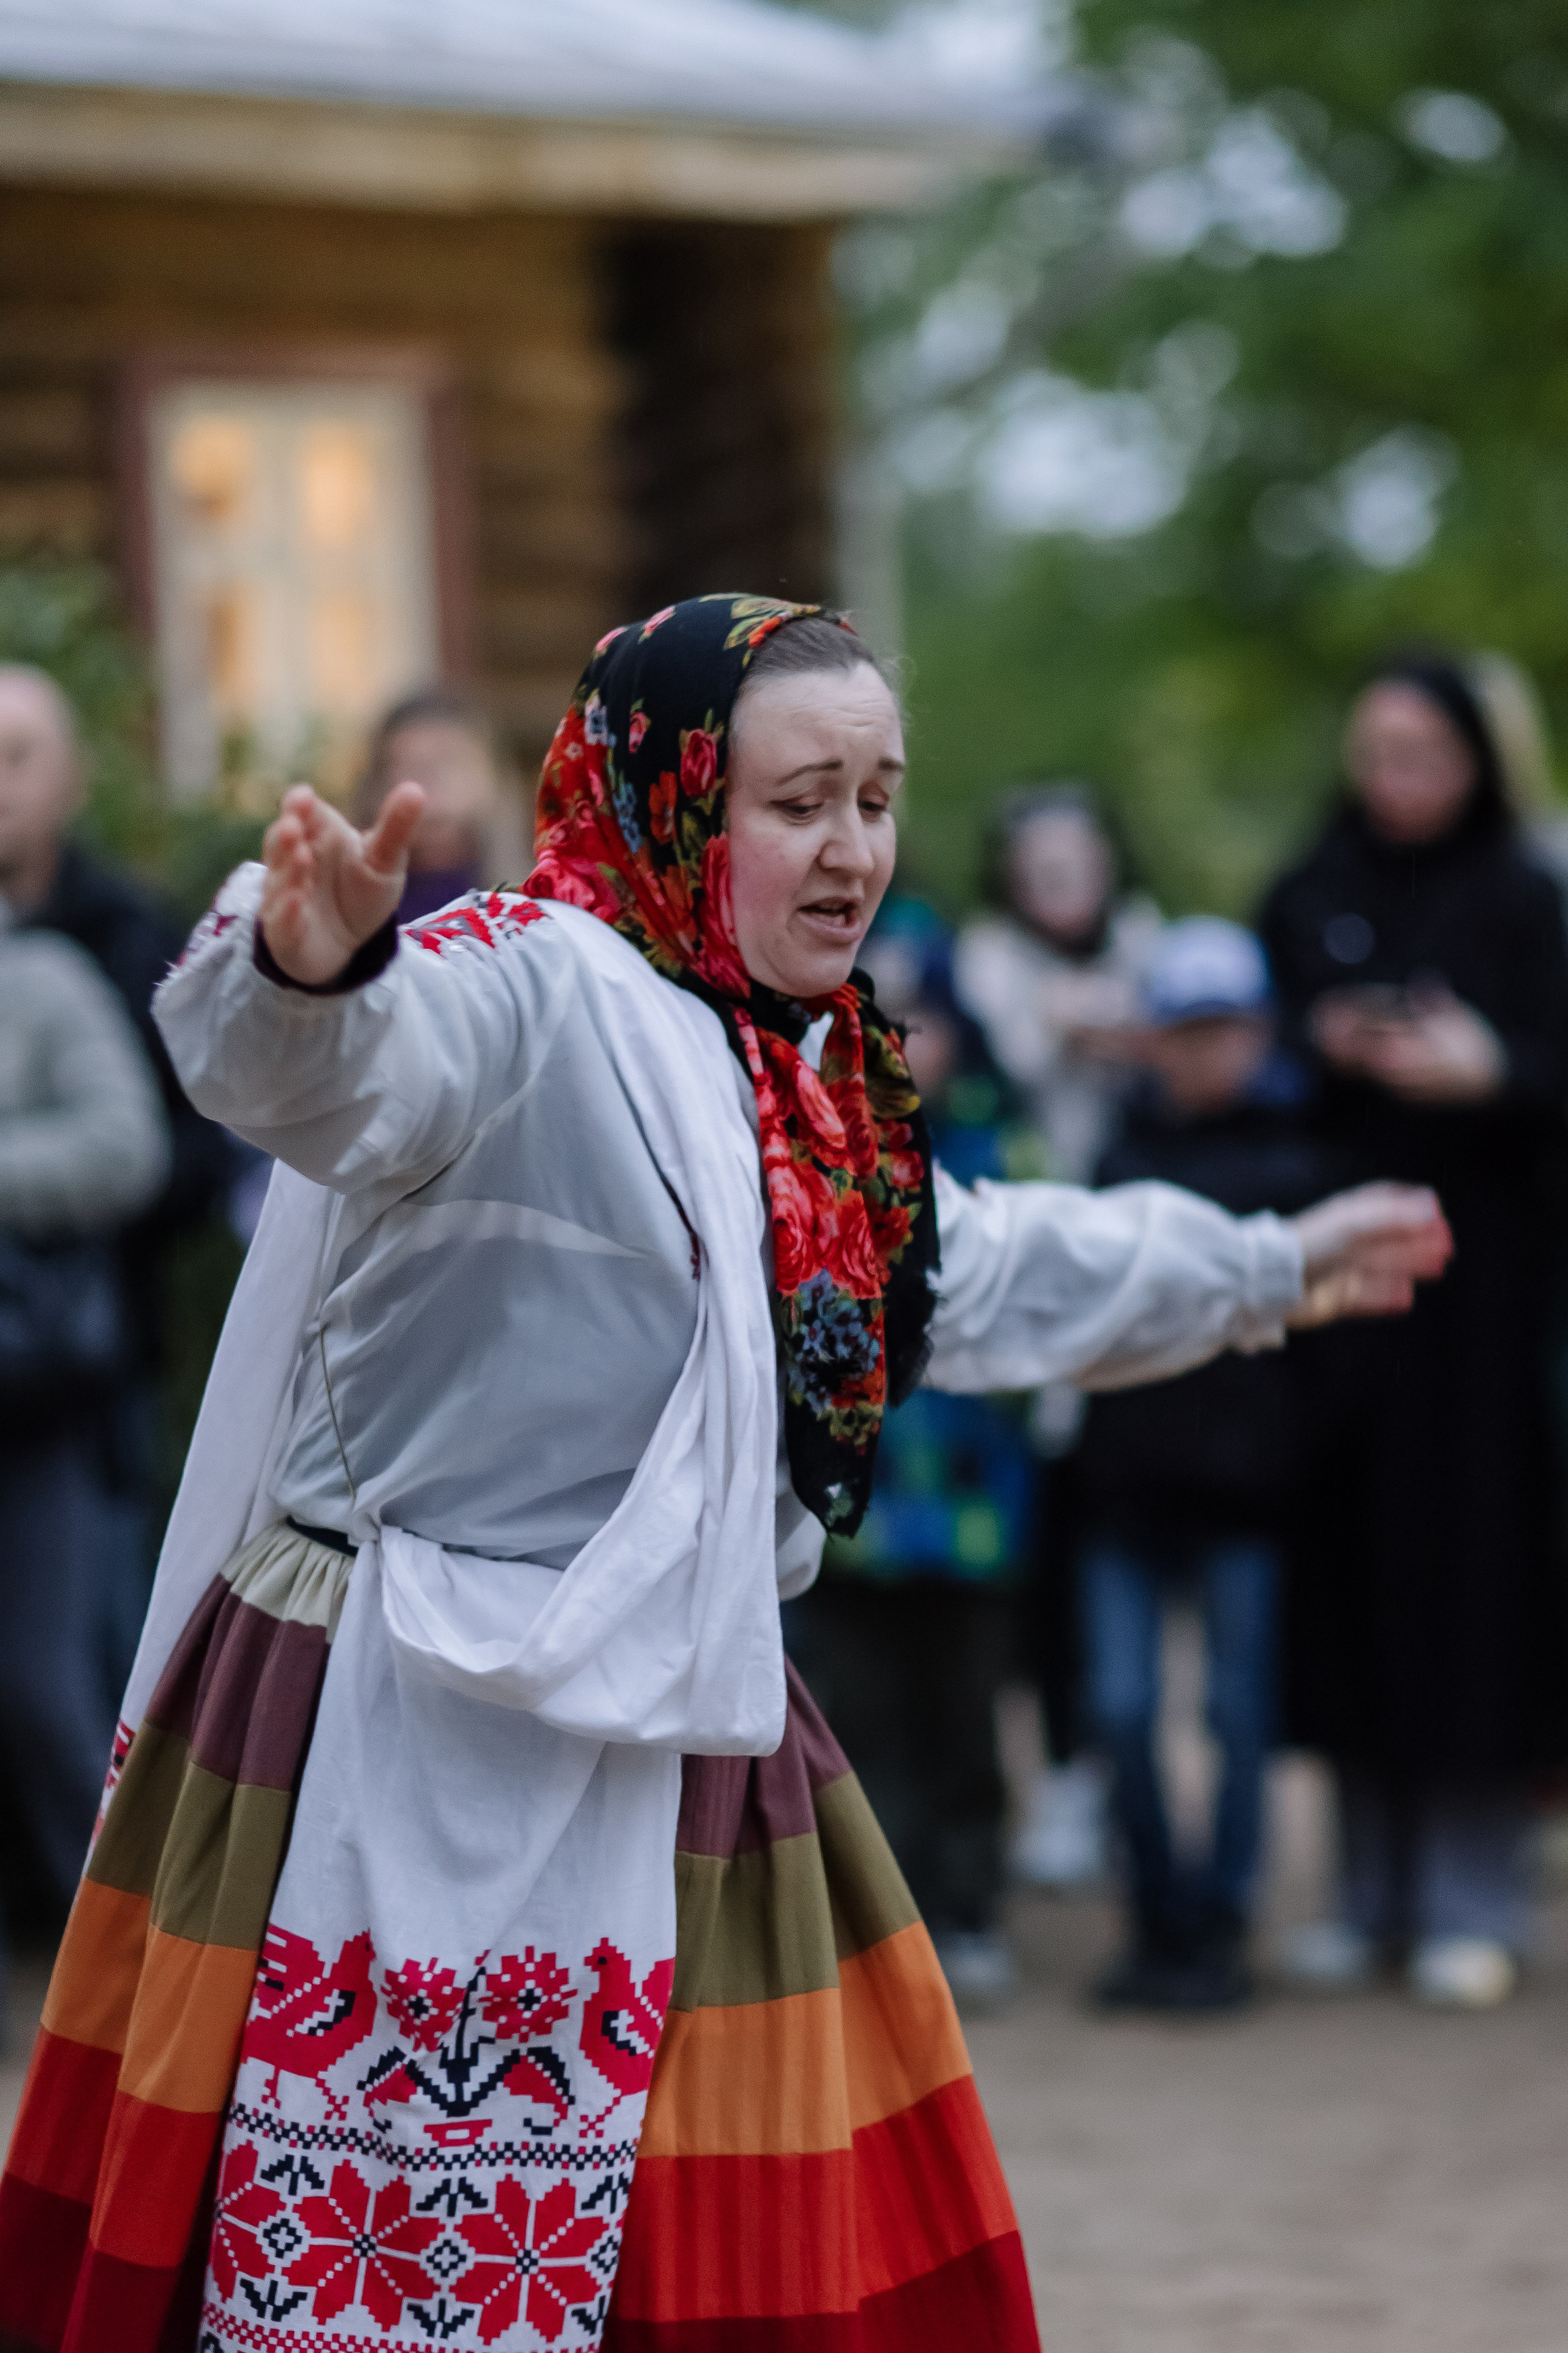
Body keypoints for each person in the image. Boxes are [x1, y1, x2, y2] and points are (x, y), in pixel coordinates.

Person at [0, 595, 1448, 2353]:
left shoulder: (804, 1083)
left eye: (878, 798)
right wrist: (306, 972)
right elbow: (338, 1078)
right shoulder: (532, 985)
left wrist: (1269, 1267)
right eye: (801, 802)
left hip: (669, 1722)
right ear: (677, 797)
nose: (854, 851)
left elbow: (970, 1271)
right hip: (378, 1713)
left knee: (709, 2253)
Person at [1260, 650, 1568, 2010]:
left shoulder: (1524, 900)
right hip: (1335, 1301)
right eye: (1372, 752)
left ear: (1479, 760)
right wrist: (1318, 1040)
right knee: (1346, 1577)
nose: (1392, 783)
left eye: (1421, 756)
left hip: (1483, 1317)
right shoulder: (1305, 892)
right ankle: (1365, 1892)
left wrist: (1488, 1072)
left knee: (1474, 1584)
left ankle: (1468, 1896)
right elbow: (1237, 1068)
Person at [1074, 920, 1344, 2012]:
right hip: (1125, 1492)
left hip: (1247, 1499)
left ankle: (1223, 1921)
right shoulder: (1117, 1157)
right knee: (1122, 1706)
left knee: (1239, 1718)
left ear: (1259, 1031)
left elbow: (1324, 1351)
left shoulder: (1302, 1162)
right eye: (1186, 1029)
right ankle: (1157, 1917)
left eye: (1225, 1028)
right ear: (1154, 1039)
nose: (1206, 1051)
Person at [789, 905, 1038, 2011]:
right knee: (862, 1719)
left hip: (978, 1508)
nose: (897, 1043)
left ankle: (974, 1910)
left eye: (918, 1018)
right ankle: (884, 1931)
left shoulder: (996, 1142)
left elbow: (1041, 1301)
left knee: (967, 1715)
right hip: (856, 1511)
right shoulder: (801, 1142)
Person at [0, 665, 235, 1669]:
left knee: (76, 1661)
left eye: (16, 758)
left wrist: (73, 1225)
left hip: (92, 1353)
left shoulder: (130, 934)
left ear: (72, 780)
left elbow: (191, 1141)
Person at [956, 786, 1161, 1891]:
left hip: (1134, 1293)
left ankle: (1127, 1784)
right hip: (1021, 1302)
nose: (1059, 876)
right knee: (1034, 1568)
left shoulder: (1155, 947)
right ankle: (1062, 1781)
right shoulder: (981, 966)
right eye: (1037, 859)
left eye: (1075, 855)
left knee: (1119, 1548)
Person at [0, 912, 168, 2000]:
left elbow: (128, 1145)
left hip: (32, 1408)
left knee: (46, 1693)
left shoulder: (41, 977)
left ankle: (123, 1986)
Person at [352, 684, 527, 923]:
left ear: (494, 777)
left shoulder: (533, 904)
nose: (429, 789)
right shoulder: (353, 913)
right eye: (410, 767)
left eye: (451, 764)